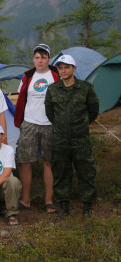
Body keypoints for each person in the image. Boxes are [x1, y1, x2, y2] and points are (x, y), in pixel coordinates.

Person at [45, 55, 99, 218]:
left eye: (66, 67)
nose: (63, 70)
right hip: (60, 139)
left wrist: (80, 125)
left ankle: (87, 206)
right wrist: (61, 127)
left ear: (74, 68)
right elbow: (50, 113)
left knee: (86, 172)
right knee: (61, 172)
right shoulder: (53, 89)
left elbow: (93, 111)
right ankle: (64, 206)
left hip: (80, 139)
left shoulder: (86, 88)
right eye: (60, 68)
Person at [14, 43, 60, 213]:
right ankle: (25, 200)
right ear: (33, 59)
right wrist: (19, 121)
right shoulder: (28, 76)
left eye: (43, 57)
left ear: (49, 59)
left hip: (50, 124)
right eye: (37, 57)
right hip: (29, 123)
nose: (40, 60)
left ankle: (49, 200)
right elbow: (21, 99)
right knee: (25, 161)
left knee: (49, 162)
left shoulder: (56, 75)